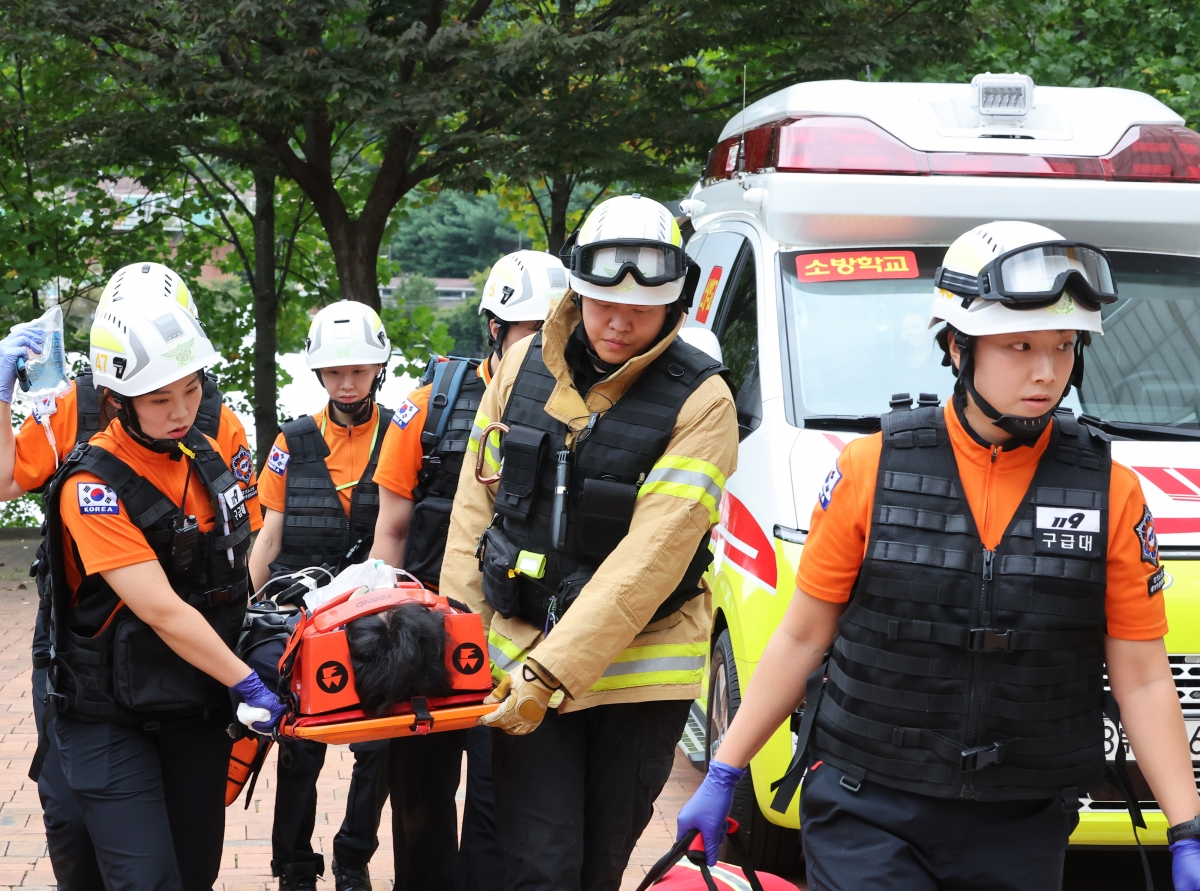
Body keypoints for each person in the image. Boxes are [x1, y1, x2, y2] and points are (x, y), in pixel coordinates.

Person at [676, 221, 1200, 891]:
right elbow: (803, 637)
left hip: (1023, 825)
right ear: (957, 346)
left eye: (1064, 347)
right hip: (869, 809)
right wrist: (725, 769)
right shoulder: (871, 469)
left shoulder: (1111, 494)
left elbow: (1145, 678)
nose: (1047, 371)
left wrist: (1186, 827)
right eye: (1020, 346)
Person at [440, 194, 739, 890]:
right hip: (521, 665)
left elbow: (647, 562)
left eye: (642, 307)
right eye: (602, 301)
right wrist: (457, 640)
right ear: (577, 289)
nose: (619, 319)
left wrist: (549, 674)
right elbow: (473, 509)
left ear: (675, 302)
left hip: (637, 682)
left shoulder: (703, 402)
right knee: (539, 869)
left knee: (596, 870)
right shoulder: (518, 369)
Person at [0, 262, 257, 891]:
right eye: (158, 396)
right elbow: (5, 483)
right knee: (75, 826)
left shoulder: (215, 429)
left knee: (189, 862)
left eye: (189, 390)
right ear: (115, 385)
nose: (179, 409)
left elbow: (236, 550)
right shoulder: (75, 421)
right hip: (95, 648)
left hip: (193, 669)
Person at [369, 249, 564, 891]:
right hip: (423, 641)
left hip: (509, 644)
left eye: (549, 332)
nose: (533, 348)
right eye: (523, 333)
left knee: (496, 806)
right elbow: (391, 533)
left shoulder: (575, 420)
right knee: (420, 801)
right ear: (493, 329)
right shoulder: (424, 409)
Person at [248, 300, 395, 891]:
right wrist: (250, 615)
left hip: (373, 619)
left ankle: (354, 857)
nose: (347, 382)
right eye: (335, 372)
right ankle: (294, 868)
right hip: (302, 621)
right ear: (319, 376)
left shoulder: (401, 434)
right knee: (299, 749)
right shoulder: (292, 441)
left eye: (358, 369)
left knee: (377, 747)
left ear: (377, 368)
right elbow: (269, 537)